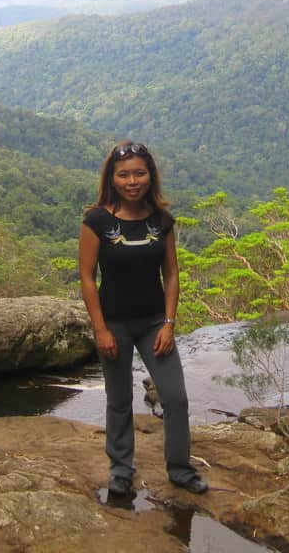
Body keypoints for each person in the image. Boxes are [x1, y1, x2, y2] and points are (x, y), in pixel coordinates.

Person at [78, 140, 208, 496]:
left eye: (139, 173)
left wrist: (169, 323)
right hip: (114, 323)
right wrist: (100, 329)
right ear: (112, 178)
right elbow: (88, 277)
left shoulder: (161, 221)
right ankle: (121, 468)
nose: (132, 181)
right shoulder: (97, 221)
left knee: (175, 397)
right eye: (124, 174)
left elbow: (173, 274)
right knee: (119, 399)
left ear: (150, 176)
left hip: (153, 322)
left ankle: (180, 468)